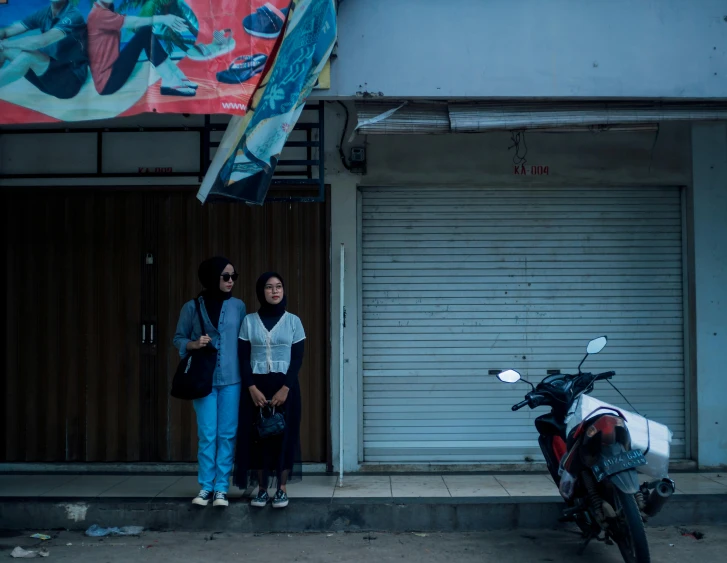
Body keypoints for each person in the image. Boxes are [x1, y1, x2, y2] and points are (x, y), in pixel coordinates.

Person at [173, 257, 246, 507]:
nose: (230, 281)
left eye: (233, 276)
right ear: (211, 277)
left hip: (232, 380)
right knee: (207, 433)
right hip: (203, 379)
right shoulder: (192, 307)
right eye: (225, 276)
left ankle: (221, 489)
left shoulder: (238, 306)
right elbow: (178, 338)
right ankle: (206, 486)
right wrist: (192, 344)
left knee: (226, 434)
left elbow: (244, 342)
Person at [234, 272, 305, 509]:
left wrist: (285, 388)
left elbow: (297, 359)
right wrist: (251, 388)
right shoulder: (249, 321)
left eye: (278, 287)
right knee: (259, 437)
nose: (274, 291)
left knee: (284, 435)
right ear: (260, 292)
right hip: (257, 389)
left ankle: (281, 489)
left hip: (286, 387)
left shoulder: (294, 321)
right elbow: (243, 358)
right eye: (268, 287)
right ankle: (262, 489)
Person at [87, 1, 196, 96]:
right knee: (145, 32)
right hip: (108, 82)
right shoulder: (98, 14)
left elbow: (133, 24)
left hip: (113, 70)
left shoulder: (106, 11)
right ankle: (170, 80)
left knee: (146, 32)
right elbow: (134, 22)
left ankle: (175, 76)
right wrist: (164, 19)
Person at [0, 0, 88, 99]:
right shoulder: (46, 12)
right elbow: (8, 31)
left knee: (27, 56)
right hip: (47, 79)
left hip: (70, 82)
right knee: (3, 51)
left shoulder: (74, 15)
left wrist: (5, 44)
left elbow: (40, 42)